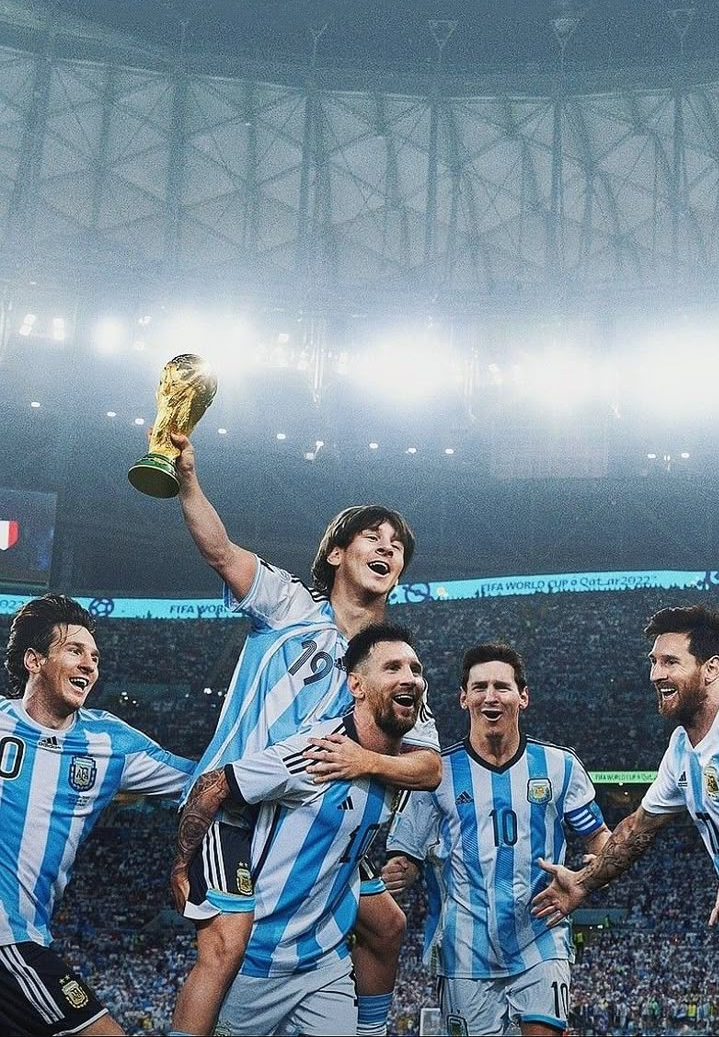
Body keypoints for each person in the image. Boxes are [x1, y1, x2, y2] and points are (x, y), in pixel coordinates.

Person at [169, 431, 441, 1037]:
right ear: (338, 553)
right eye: (373, 538)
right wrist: (186, 477)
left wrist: (361, 763)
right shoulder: (290, 606)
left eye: (397, 547)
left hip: (325, 821)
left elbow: (427, 766)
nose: (387, 549)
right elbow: (220, 551)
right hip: (240, 805)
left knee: (388, 925)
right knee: (227, 949)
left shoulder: (391, 664)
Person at [170, 624, 426, 1036]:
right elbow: (213, 784)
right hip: (259, 962)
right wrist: (182, 867)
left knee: (389, 926)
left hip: (325, 964)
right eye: (392, 667)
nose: (409, 678)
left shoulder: (399, 766)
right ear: (356, 686)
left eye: (415, 669)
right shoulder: (317, 752)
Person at [383, 642, 609, 1037]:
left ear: (523, 697)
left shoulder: (560, 766)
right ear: (463, 697)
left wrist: (588, 878)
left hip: (541, 937)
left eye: (502, 687)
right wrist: (400, 872)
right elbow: (405, 858)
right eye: (480, 686)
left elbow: (600, 841)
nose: (491, 696)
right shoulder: (435, 775)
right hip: (463, 951)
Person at [532, 604, 719, 1037]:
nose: (655, 675)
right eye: (653, 663)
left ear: (711, 668)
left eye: (670, 662)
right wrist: (583, 884)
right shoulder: (682, 748)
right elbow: (638, 829)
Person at [0, 593, 194, 1037]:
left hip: (32, 934)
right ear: (34, 660)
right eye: (75, 651)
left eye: (95, 656)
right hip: (8, 939)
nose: (90, 664)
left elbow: (203, 782)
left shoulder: (110, 743)